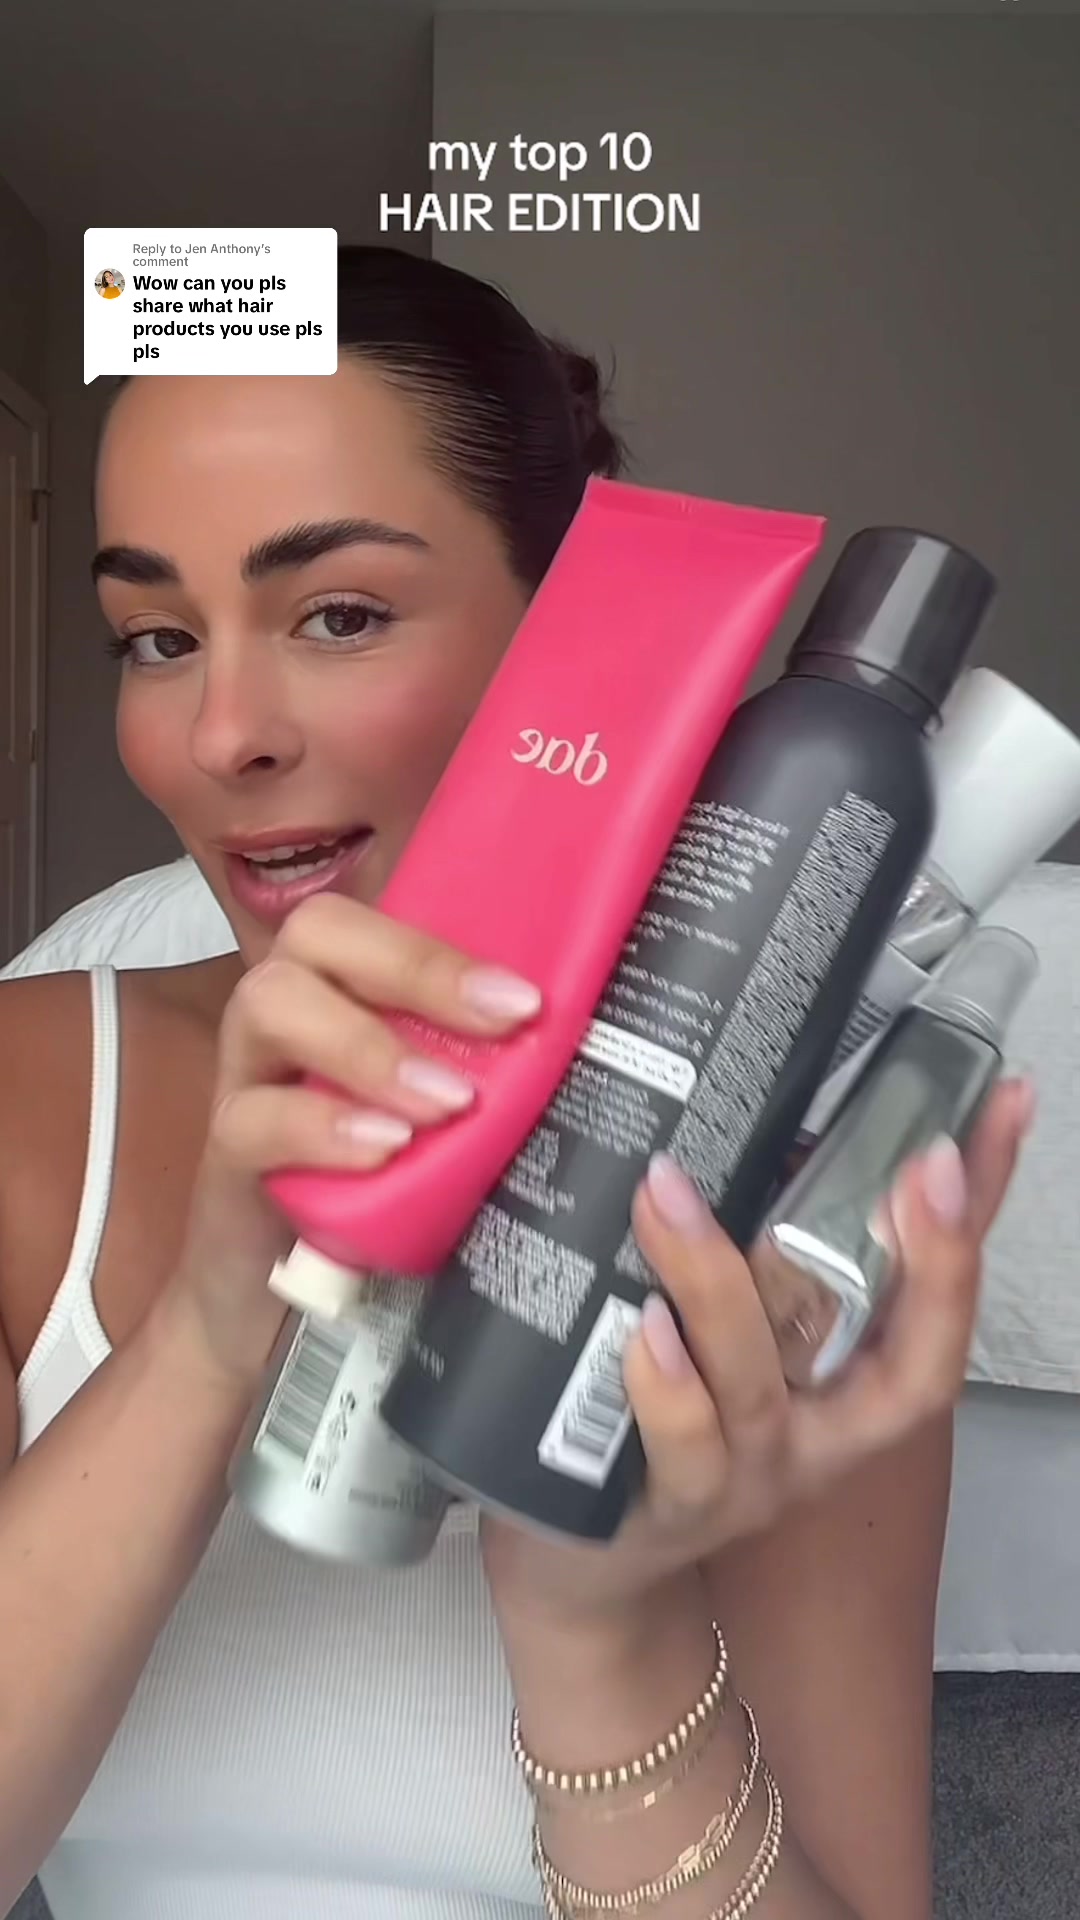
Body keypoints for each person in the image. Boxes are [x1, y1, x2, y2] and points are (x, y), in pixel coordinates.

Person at [0, 244, 1033, 1920]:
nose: (220, 736)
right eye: (157, 637)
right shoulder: (31, 1099)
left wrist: (595, 1626)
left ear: (578, 639)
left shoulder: (775, 1226)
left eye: (339, 614)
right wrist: (206, 1330)